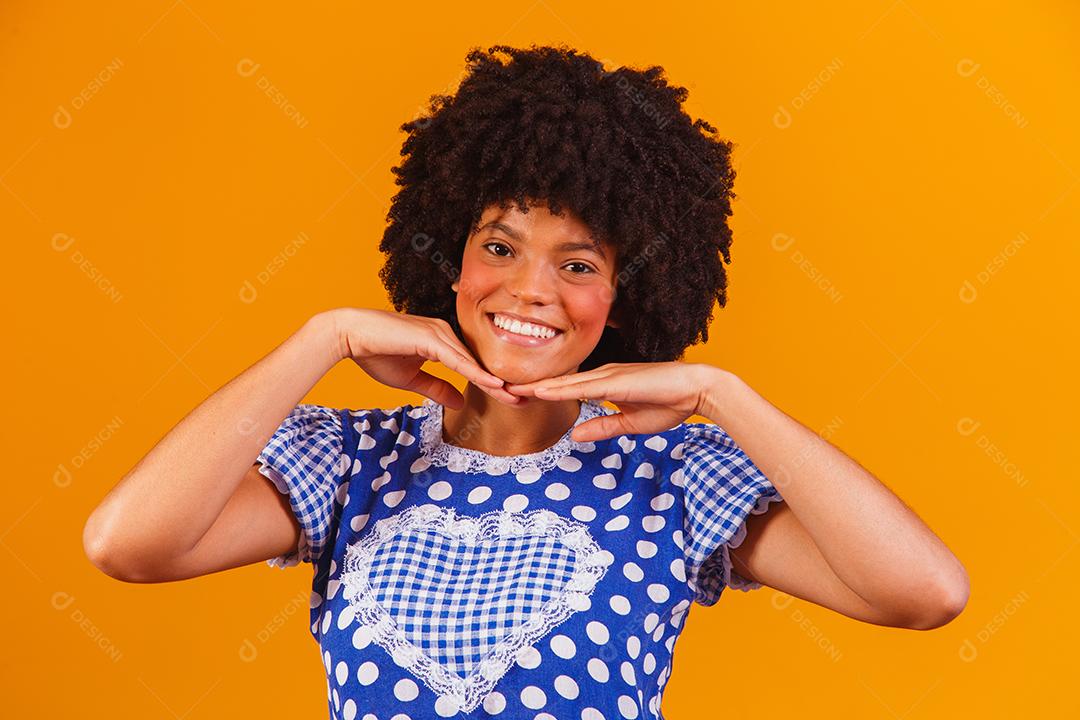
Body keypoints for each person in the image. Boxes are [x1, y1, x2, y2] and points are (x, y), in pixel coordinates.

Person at [83, 44, 969, 719]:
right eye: (499, 247)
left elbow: (924, 593)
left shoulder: (672, 475)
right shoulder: (352, 459)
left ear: (626, 298)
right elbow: (127, 544)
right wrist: (322, 338)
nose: (530, 291)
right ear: (452, 261)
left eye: (578, 264)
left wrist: (719, 394)